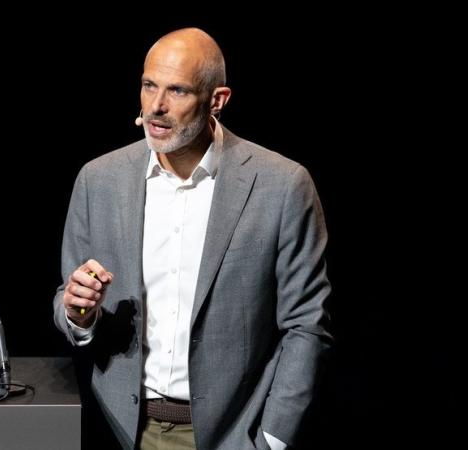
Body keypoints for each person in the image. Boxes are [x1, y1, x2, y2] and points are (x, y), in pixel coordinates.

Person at [53, 27, 332, 450]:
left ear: (217, 100)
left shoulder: (282, 185)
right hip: (121, 428)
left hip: (233, 433)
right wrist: (78, 313)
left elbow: (306, 324)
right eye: (149, 86)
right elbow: (68, 301)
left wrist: (273, 438)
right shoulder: (99, 180)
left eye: (177, 90)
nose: (156, 107)